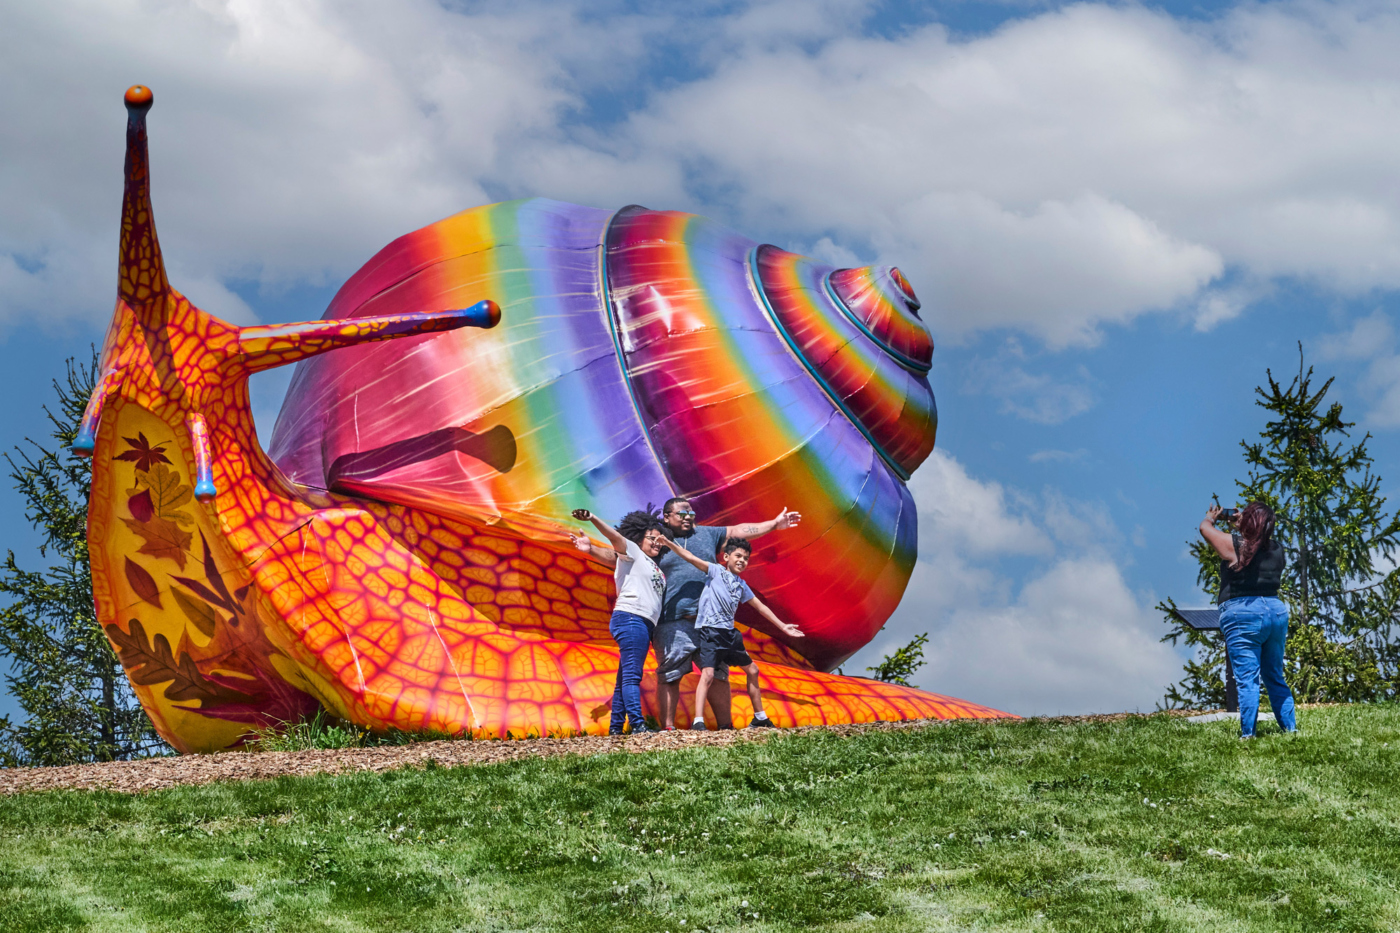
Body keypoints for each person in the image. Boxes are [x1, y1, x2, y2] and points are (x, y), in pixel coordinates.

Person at [572, 497, 803, 729]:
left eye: (691, 513)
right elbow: (619, 556)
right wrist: (591, 548)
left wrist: (773, 524)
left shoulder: (707, 534)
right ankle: (668, 730)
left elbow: (738, 530)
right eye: (682, 513)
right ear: (667, 517)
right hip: (670, 623)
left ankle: (726, 729)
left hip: (710, 624)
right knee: (670, 675)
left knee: (718, 674)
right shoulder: (658, 542)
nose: (688, 517)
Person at [660, 536, 802, 729]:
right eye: (738, 556)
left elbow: (760, 607)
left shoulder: (741, 585)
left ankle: (759, 717)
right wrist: (669, 544)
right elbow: (691, 557)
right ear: (726, 557)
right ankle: (698, 721)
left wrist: (783, 626)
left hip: (729, 635)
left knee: (753, 670)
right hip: (711, 633)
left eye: (746, 558)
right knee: (708, 674)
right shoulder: (716, 571)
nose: (742, 560)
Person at [1199, 501, 1298, 739]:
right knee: (1274, 675)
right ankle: (1291, 731)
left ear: (1251, 521)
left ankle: (1248, 735)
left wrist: (1211, 518)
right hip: (1275, 612)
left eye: (1245, 514)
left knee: (1247, 678)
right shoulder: (1278, 549)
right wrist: (1244, 523)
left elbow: (1205, 530)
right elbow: (1257, 545)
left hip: (1243, 612)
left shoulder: (1235, 546)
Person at [571, 507, 669, 735]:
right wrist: (593, 517)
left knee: (624, 677)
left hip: (642, 623)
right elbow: (614, 537)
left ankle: (616, 727)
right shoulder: (632, 551)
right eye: (651, 538)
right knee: (633, 676)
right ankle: (637, 725)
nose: (656, 543)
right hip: (631, 618)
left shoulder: (652, 563)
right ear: (638, 537)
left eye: (659, 540)